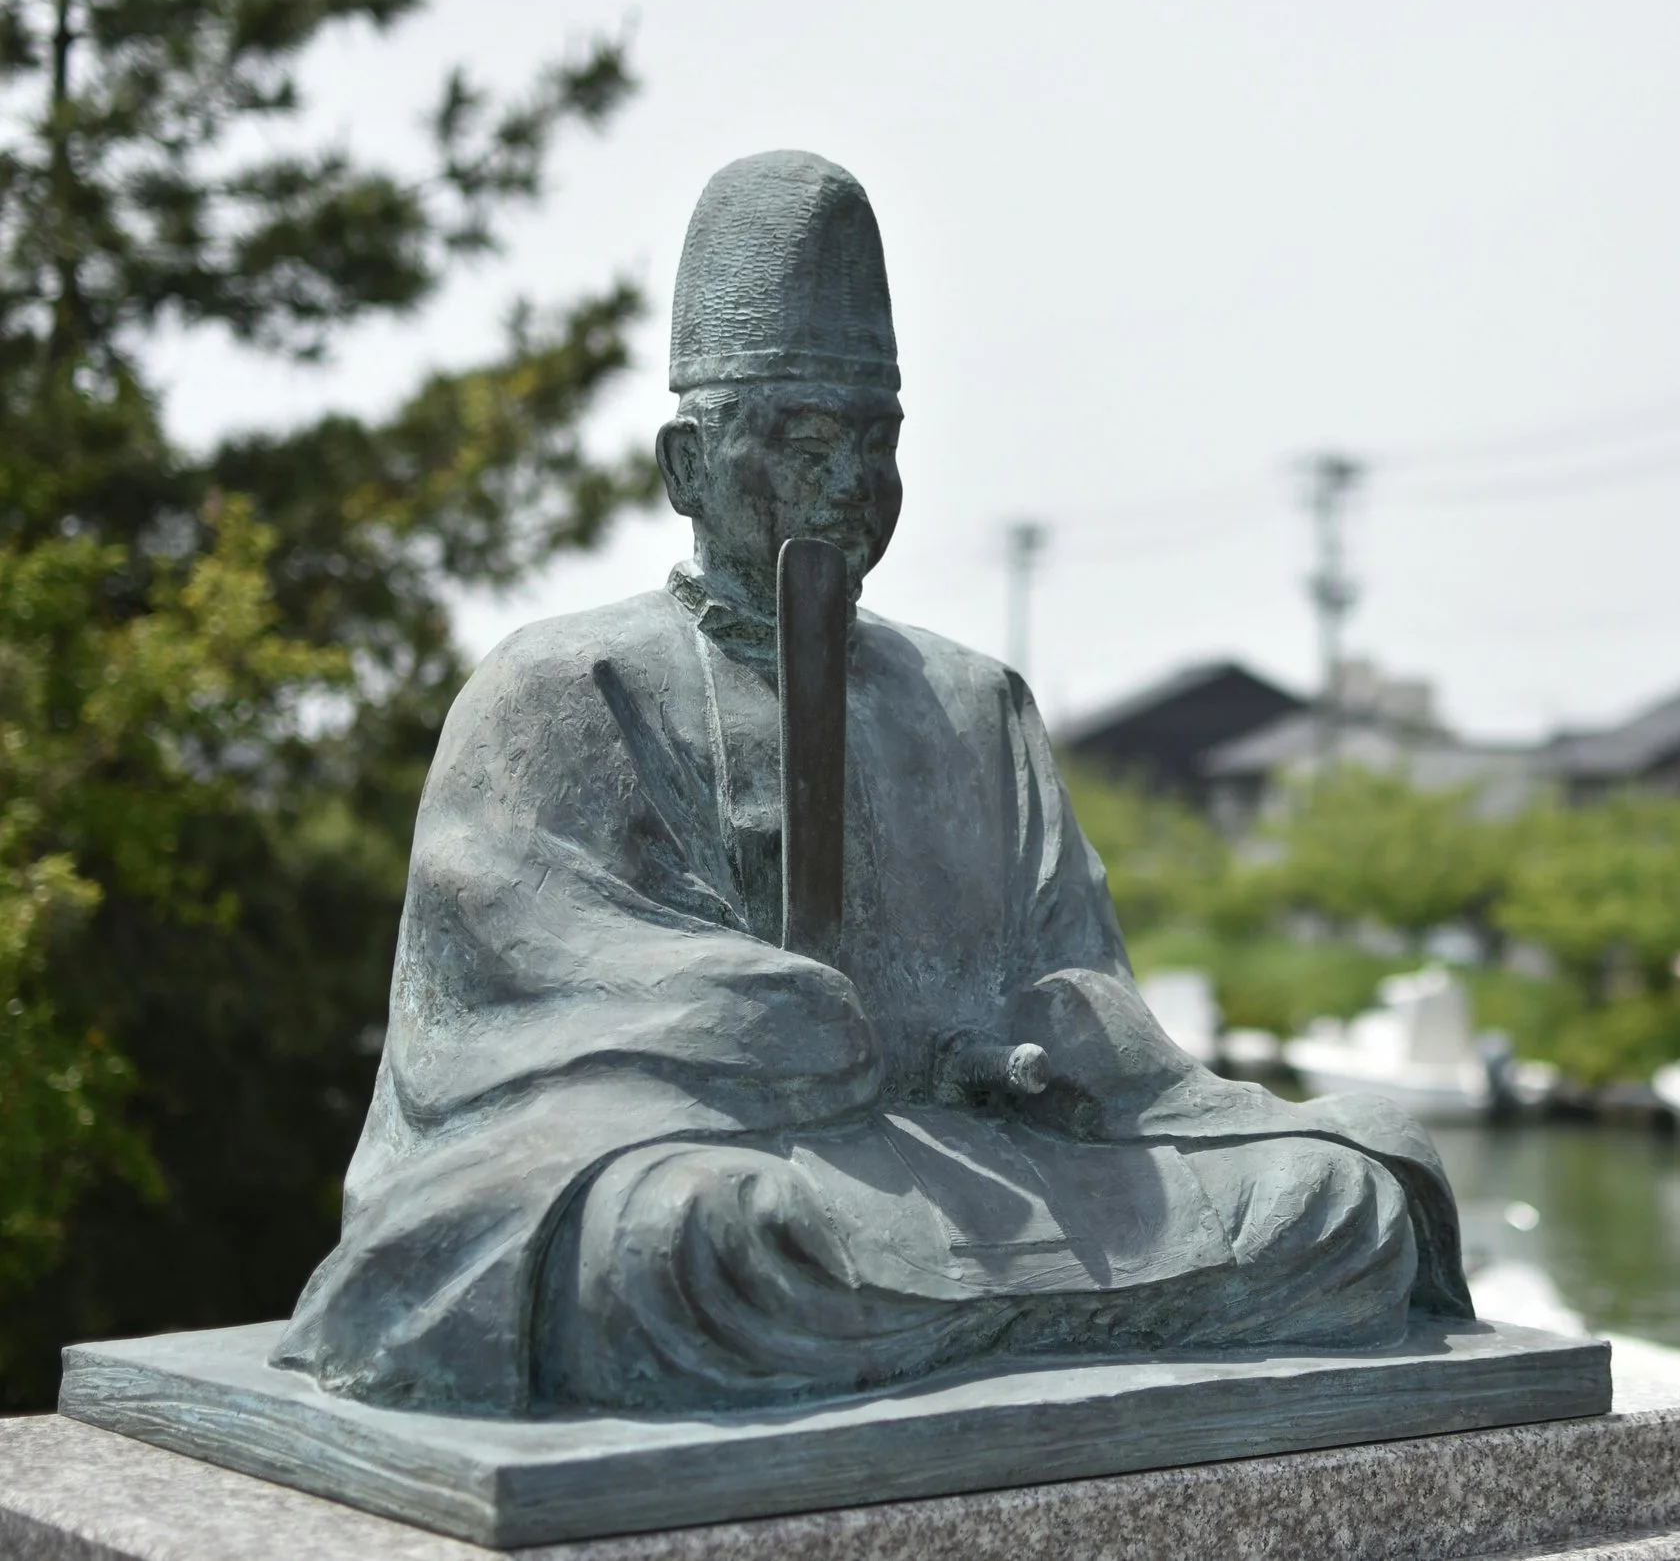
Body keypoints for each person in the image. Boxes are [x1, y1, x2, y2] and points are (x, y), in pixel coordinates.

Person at [272, 152, 1468, 1417]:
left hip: (998, 1159)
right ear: (686, 465)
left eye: (877, 442)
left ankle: (988, 1318)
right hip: (732, 1151)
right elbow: (513, 983)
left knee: (1345, 1191)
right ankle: (981, 1313)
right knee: (686, 1238)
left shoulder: (975, 701)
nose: (851, 484)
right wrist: (771, 1016)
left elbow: (1077, 972)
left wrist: (1045, 1043)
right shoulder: (567, 687)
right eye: (803, 440)